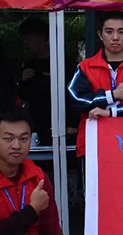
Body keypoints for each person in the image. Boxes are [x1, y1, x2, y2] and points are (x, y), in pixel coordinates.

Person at [68, 11, 123, 159]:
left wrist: (111, 113)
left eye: (121, 32)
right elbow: (76, 100)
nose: (115, 37)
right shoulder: (85, 67)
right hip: (93, 145)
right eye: (109, 32)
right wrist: (112, 95)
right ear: (100, 35)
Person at [17, 17, 79, 145]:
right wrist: (22, 80)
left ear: (42, 37)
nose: (26, 43)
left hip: (62, 125)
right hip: (36, 125)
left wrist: (72, 123)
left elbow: (75, 95)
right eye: (23, 39)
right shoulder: (29, 64)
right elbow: (24, 96)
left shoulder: (65, 63)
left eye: (29, 38)